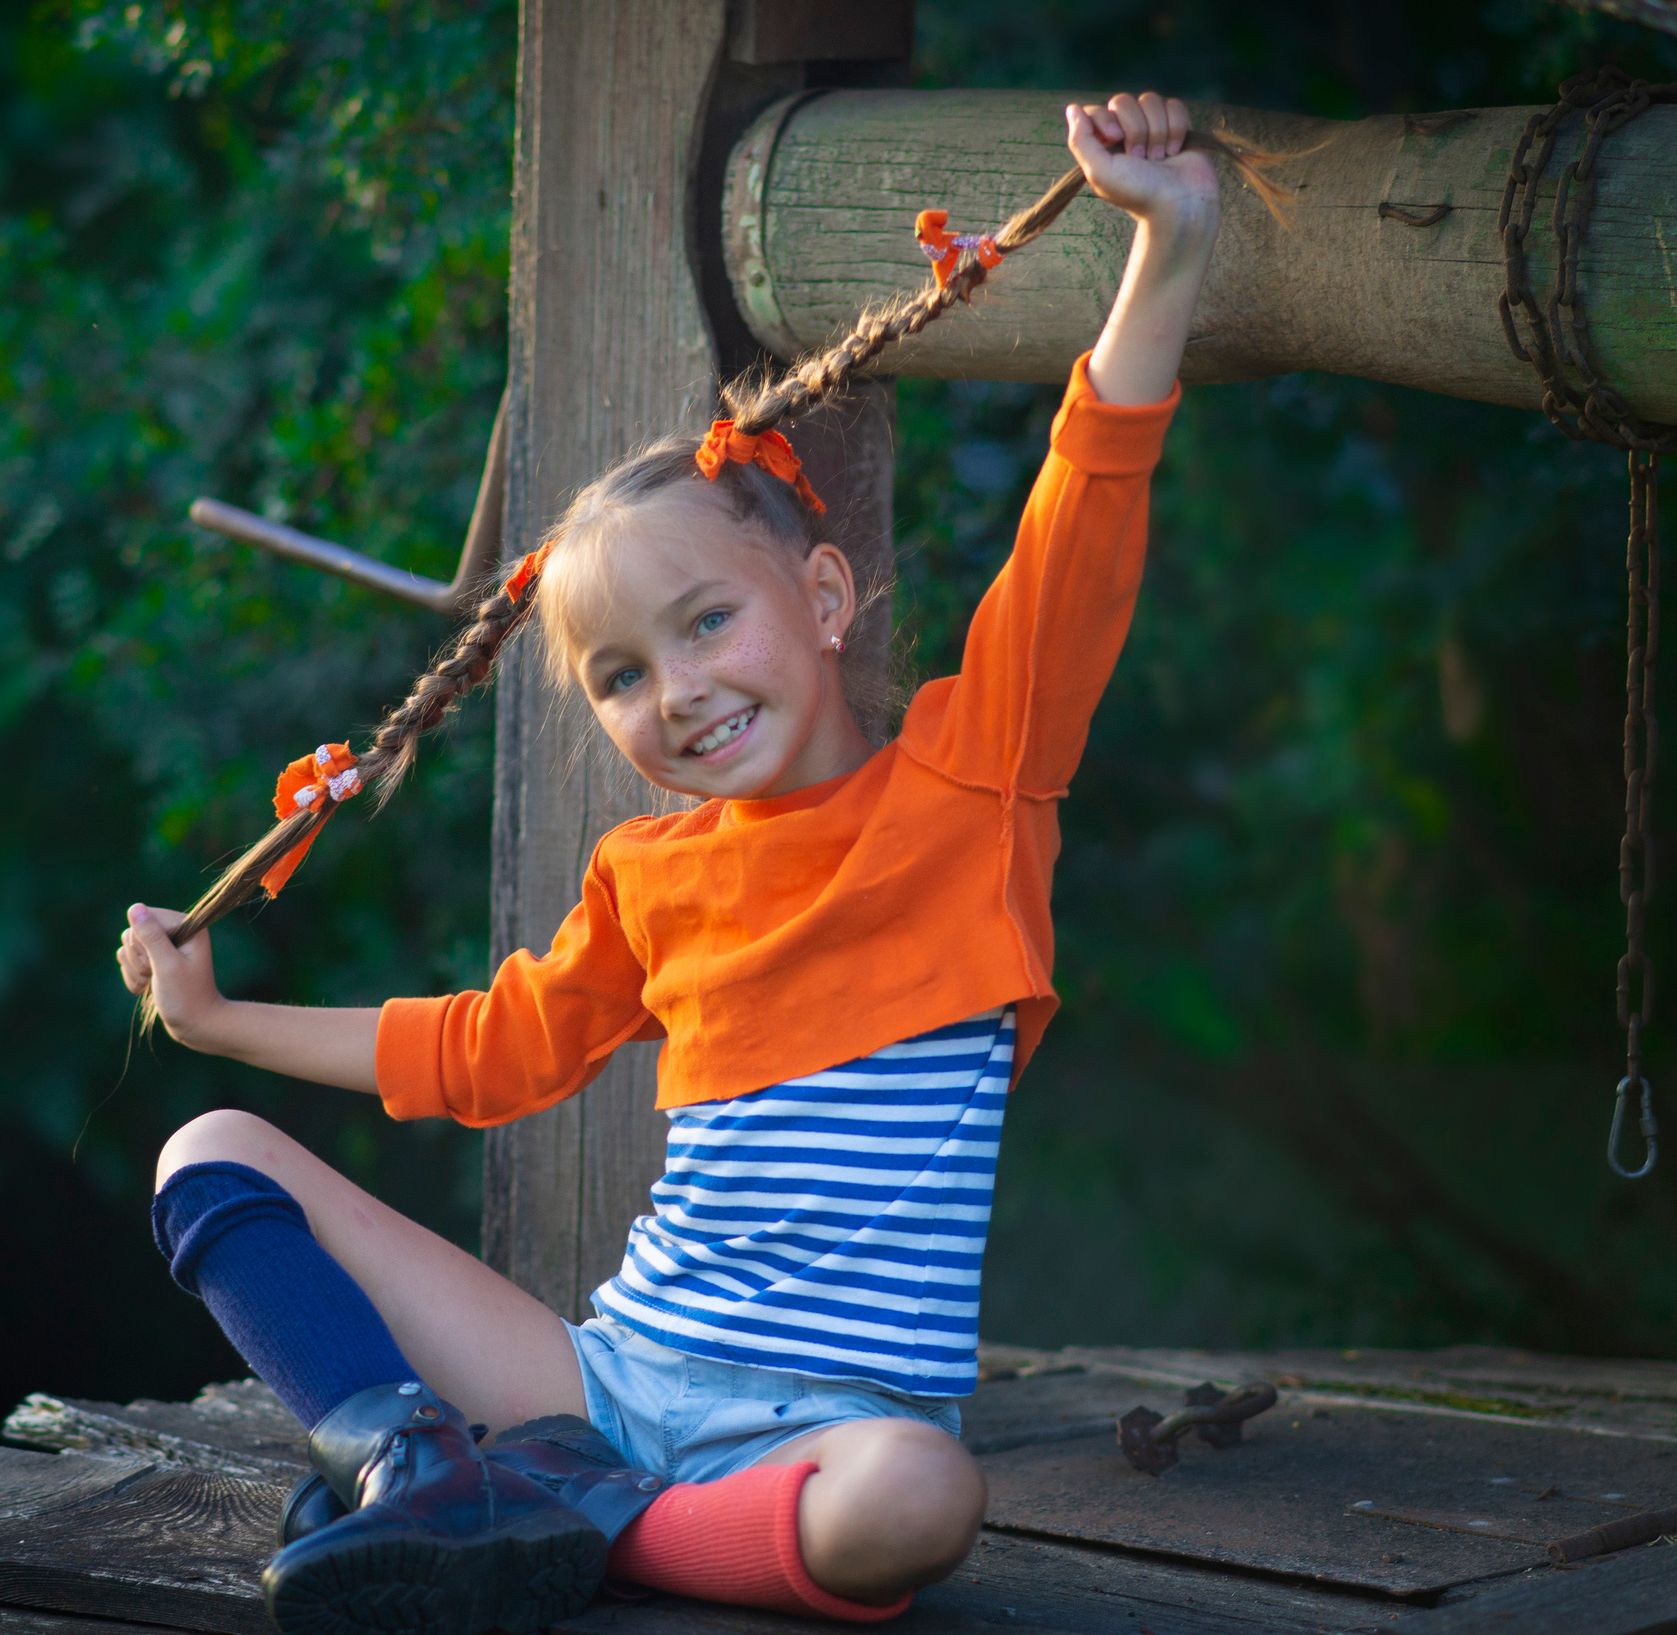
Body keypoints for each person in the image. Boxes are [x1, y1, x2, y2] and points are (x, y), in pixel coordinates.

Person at [118, 91, 1225, 1635]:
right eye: (622, 675)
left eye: (710, 621)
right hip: (604, 1382)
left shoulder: (974, 780)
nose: (679, 691)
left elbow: (1087, 514)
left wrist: (1166, 241)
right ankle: (413, 1469)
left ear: (827, 597)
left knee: (924, 1503)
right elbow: (485, 1050)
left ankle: (580, 1528)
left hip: (829, 1442)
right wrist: (218, 1023)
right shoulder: (652, 879)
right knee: (208, 1153)